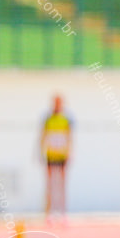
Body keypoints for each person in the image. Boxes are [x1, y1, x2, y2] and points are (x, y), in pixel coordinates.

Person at [40, 94, 73, 224]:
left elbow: (69, 136)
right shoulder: (48, 119)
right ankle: (49, 214)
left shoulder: (66, 118)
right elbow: (43, 135)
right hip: (50, 154)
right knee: (50, 185)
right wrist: (41, 150)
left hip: (62, 155)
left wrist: (70, 152)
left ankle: (63, 213)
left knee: (62, 185)